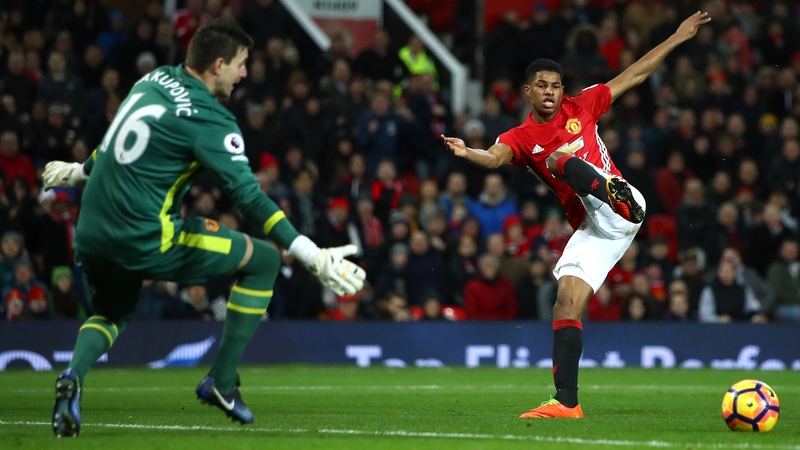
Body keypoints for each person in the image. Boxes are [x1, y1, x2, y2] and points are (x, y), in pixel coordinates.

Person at [42, 20, 365, 436]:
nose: (245, 74)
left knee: (111, 313)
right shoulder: (212, 120)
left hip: (90, 232)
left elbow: (111, 145)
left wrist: (75, 172)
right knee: (265, 260)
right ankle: (223, 382)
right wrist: (307, 251)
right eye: (242, 64)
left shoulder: (152, 79)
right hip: (146, 238)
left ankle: (73, 375)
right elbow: (248, 197)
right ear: (218, 64)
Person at [441, 11, 711, 419]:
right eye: (541, 86)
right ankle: (567, 401)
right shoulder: (518, 138)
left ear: (562, 90)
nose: (549, 92)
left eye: (555, 85)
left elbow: (635, 75)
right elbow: (493, 158)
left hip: (622, 203)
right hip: (597, 227)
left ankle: (615, 193)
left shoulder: (582, 104)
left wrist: (676, 37)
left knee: (558, 158)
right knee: (565, 302)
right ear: (528, 92)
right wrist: (468, 153)